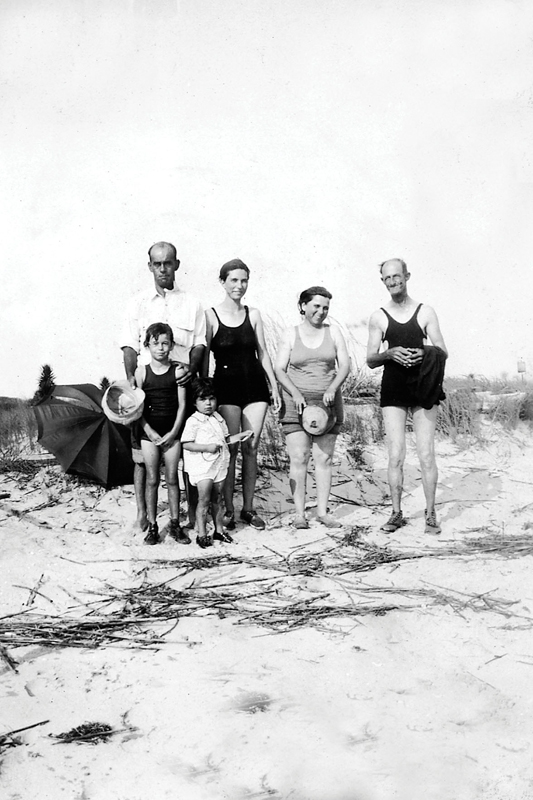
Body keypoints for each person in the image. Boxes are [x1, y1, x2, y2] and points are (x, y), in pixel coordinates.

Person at [120, 242, 206, 533]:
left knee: (187, 455)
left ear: (176, 265)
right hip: (148, 388)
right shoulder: (137, 303)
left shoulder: (192, 303)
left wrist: (192, 371)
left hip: (181, 384)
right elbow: (130, 346)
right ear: (149, 267)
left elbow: (199, 344)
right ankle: (143, 514)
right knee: (144, 458)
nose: (162, 269)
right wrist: (132, 377)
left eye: (167, 263)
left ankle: (191, 515)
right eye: (156, 264)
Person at [366, 258, 448, 534]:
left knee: (426, 453)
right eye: (387, 278)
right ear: (383, 282)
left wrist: (424, 352)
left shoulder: (425, 311)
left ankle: (431, 513)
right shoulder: (378, 316)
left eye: (397, 277)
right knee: (396, 454)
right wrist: (389, 353)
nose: (393, 282)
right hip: (394, 388)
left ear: (407, 276)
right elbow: (370, 359)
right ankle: (396, 513)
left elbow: (442, 350)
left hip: (424, 386)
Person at [204, 259, 281, 531]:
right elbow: (203, 362)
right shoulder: (210, 315)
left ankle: (248, 509)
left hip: (255, 388)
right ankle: (228, 509)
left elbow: (263, 353)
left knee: (251, 448)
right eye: (234, 280)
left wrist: (273, 384)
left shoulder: (254, 314)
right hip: (225, 390)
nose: (239, 285)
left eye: (244, 280)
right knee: (230, 449)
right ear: (223, 282)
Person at [275, 286, 350, 529]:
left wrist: (332, 389)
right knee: (298, 457)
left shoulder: (334, 332)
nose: (321, 311)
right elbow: (279, 369)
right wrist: (295, 393)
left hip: (327, 403)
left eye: (325, 307)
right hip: (296, 402)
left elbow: (345, 366)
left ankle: (323, 512)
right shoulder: (290, 333)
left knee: (324, 458)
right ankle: (299, 514)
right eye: (316, 306)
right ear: (303, 306)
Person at [181, 378, 251, 548]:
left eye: (211, 399)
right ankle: (202, 534)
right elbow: (186, 443)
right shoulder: (194, 421)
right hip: (202, 467)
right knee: (203, 500)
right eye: (203, 400)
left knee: (217, 499)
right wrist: (206, 447)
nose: (208, 404)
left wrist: (241, 436)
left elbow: (226, 439)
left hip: (218, 465)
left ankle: (219, 531)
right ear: (194, 402)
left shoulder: (218, 418)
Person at [134, 323, 188, 545]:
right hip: (149, 435)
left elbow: (182, 406)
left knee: (173, 479)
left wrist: (174, 432)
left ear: (172, 345)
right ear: (147, 345)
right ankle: (153, 525)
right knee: (153, 479)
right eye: (155, 343)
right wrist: (149, 431)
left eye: (166, 343)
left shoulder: (178, 371)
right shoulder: (141, 372)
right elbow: (137, 408)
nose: (161, 348)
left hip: (172, 434)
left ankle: (175, 524)